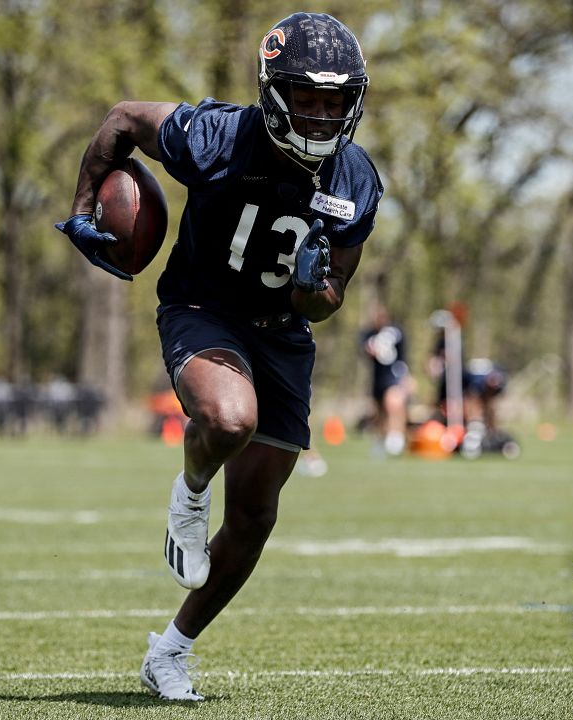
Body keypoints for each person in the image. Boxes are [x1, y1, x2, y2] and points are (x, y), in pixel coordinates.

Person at [56, 12, 381, 702]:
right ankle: (191, 489)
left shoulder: (355, 179)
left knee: (258, 516)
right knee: (229, 421)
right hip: (203, 310)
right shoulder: (215, 137)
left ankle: (169, 651)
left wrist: (314, 290)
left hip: (283, 334)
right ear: (274, 92)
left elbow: (333, 295)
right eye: (307, 98)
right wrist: (86, 207)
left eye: (334, 101)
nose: (321, 115)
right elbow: (120, 121)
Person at [361, 305, 410, 456]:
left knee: (394, 404)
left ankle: (397, 436)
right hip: (377, 378)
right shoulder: (368, 334)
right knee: (379, 410)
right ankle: (381, 438)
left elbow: (403, 356)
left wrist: (406, 377)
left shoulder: (396, 332)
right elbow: (364, 350)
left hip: (393, 375)